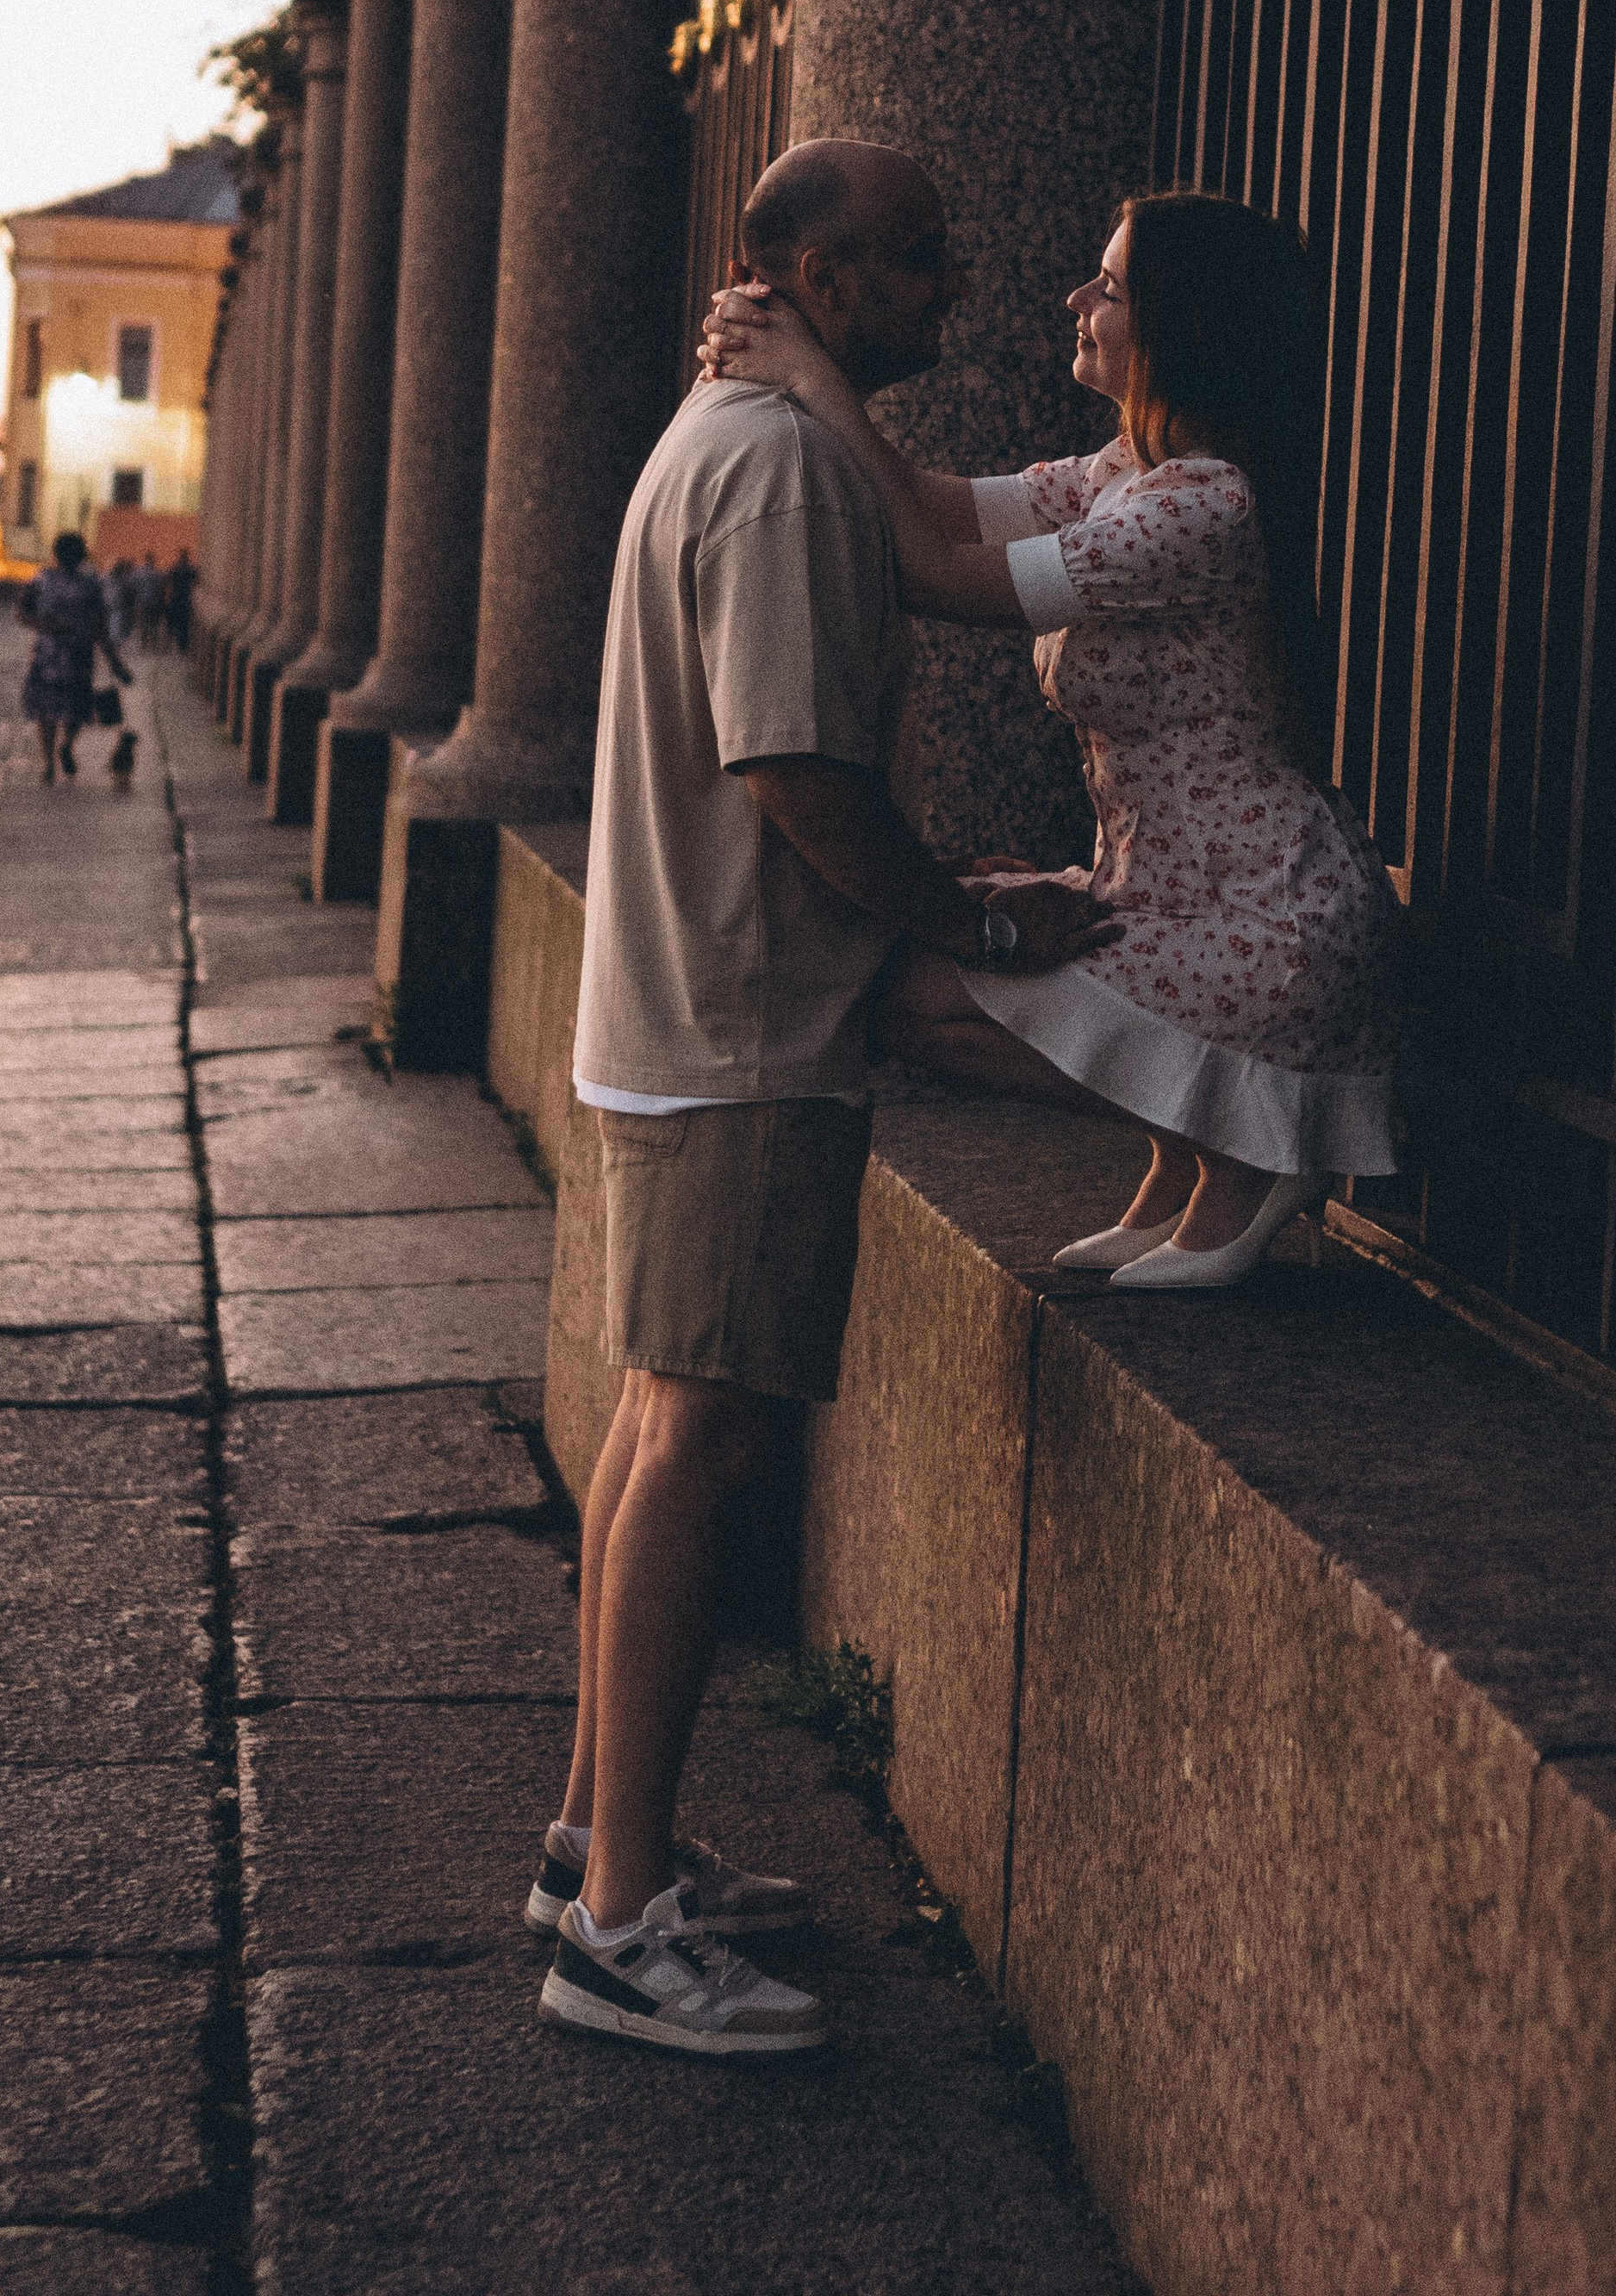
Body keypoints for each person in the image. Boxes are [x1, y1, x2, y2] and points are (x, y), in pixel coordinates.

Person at [535, 140, 1117, 2060]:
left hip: (676, 1007)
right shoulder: (780, 465)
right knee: (695, 1442)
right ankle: (619, 1930)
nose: (950, 289)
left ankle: (591, 1845)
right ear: (800, 271)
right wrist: (957, 914)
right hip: (742, 1025)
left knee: (651, 1427)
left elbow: (941, 557)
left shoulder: (734, 431)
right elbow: (791, 766)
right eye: (911, 262)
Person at [703, 187, 1401, 1288]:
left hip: (1269, 920)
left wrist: (809, 380)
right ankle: (1188, 1147)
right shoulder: (1125, 475)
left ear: (1183, 326)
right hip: (1174, 893)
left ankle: (1246, 1142)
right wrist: (813, 380)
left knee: (919, 999)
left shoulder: (1202, 505)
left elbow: (936, 575)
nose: (1077, 298)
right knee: (930, 954)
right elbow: (931, 510)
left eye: (1111, 288)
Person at [19, 532, 132, 783]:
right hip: (79, 653)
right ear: (82, 554)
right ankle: (67, 744)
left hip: (47, 655)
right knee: (77, 707)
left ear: (55, 553)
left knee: (45, 711)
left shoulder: (41, 579)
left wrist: (43, 625)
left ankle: (49, 764)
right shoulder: (91, 585)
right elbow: (101, 625)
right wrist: (115, 663)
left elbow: (22, 612)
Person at [165, 552, 196, 656]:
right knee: (184, 624)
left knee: (176, 622)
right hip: (185, 599)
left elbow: (167, 580)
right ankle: (183, 646)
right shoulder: (190, 570)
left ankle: (175, 644)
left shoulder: (174, 569)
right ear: (187, 558)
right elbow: (196, 581)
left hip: (175, 599)